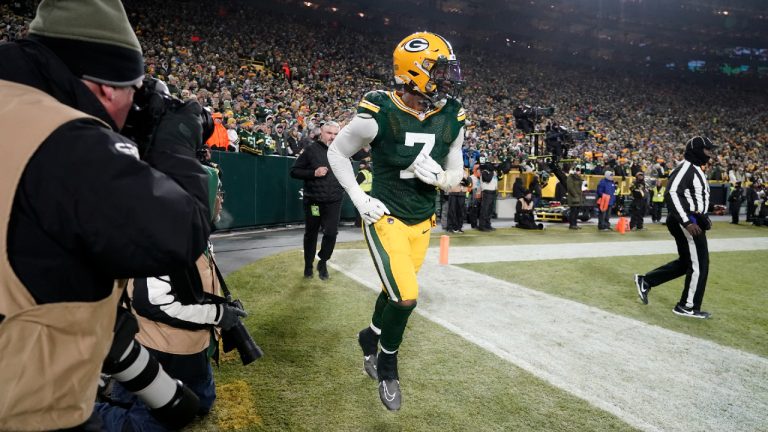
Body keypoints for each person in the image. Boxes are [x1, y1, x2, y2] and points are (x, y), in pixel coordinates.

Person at [0, 1, 212, 429]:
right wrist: (174, 143)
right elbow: (179, 233)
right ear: (106, 88)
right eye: (135, 92)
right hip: (26, 408)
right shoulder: (62, 138)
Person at [327, 31, 465, 411]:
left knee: (393, 292)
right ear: (415, 70)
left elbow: (458, 176)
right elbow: (337, 153)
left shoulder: (452, 114)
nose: (448, 78)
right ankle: (387, 365)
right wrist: (358, 197)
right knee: (405, 298)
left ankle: (370, 337)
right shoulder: (379, 112)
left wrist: (440, 178)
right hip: (385, 216)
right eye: (439, 69)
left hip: (423, 221)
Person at [95, 170, 246, 431]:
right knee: (151, 425)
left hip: (189, 349)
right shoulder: (161, 240)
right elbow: (151, 302)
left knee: (201, 403)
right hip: (160, 351)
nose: (221, 200)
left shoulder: (191, 234)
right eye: (217, 193)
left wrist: (221, 307)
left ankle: (123, 390)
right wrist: (217, 315)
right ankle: (77, 412)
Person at [634, 136, 718, 319]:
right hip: (687, 222)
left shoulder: (695, 169)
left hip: (690, 219)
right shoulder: (686, 168)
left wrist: (711, 208)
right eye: (707, 150)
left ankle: (646, 281)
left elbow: (692, 198)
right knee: (699, 265)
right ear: (696, 149)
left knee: (688, 262)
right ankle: (687, 307)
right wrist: (687, 221)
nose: (710, 154)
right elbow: (672, 193)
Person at [290, 121, 343, 280]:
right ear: (321, 132)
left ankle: (323, 261)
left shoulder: (342, 151)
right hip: (314, 200)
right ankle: (308, 266)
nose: (332, 137)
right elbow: (294, 171)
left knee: (332, 233)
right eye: (329, 133)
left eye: (335, 134)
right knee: (311, 234)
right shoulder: (311, 150)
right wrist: (314, 173)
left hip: (334, 199)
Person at [478, 157, 499, 231]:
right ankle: (482, 226)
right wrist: (492, 173)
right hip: (487, 192)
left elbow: (497, 180)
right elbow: (487, 179)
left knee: (490, 210)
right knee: (485, 210)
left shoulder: (493, 172)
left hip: (493, 192)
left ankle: (488, 225)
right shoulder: (484, 172)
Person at [354, 159, 373, 227]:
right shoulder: (369, 173)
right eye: (360, 164)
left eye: (362, 164)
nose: (360, 165)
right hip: (367, 193)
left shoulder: (362, 173)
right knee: (366, 209)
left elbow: (356, 183)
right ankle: (366, 223)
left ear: (365, 165)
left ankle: (358, 224)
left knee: (359, 209)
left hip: (361, 193)